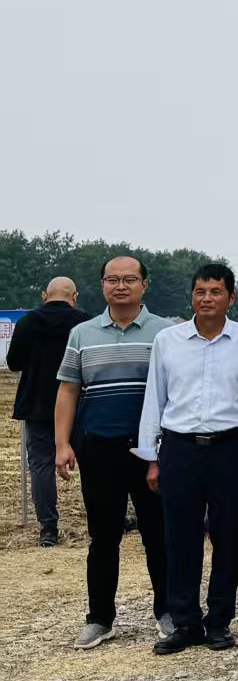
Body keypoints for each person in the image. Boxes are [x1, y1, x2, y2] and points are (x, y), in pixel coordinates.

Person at [136, 264, 238, 654]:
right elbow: (155, 398)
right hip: (180, 448)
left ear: (231, 298)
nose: (207, 298)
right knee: (180, 537)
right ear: (191, 296)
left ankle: (220, 621)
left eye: (215, 291)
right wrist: (151, 457)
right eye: (200, 291)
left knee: (229, 536)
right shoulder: (168, 340)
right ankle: (185, 622)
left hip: (230, 448)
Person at [53, 256, 171, 647]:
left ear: (144, 285)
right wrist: (62, 443)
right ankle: (100, 618)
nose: (121, 286)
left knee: (159, 534)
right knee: (103, 537)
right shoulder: (82, 334)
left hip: (151, 450)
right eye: (112, 279)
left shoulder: (165, 333)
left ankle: (168, 610)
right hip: (99, 448)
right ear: (102, 284)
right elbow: (68, 389)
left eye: (129, 279)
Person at [6, 276, 89, 545]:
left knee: (41, 465)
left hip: (37, 404)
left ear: (44, 295)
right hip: (79, 404)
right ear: (74, 297)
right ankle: (103, 519)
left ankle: (48, 529)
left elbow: (14, 362)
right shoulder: (85, 323)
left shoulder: (28, 322)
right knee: (92, 463)